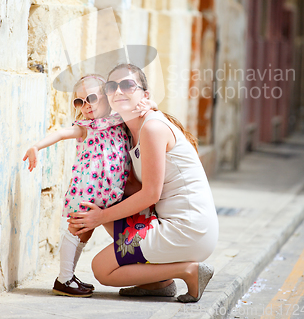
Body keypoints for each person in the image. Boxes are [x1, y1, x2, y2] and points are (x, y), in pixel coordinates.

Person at [68, 64, 219, 302]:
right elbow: (133, 189)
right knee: (109, 203)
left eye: (128, 85)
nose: (119, 91)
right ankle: (158, 283)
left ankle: (188, 270)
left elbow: (150, 195)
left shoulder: (152, 127)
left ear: (145, 95)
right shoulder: (128, 132)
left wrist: (99, 218)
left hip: (188, 229)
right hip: (175, 224)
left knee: (102, 269)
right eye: (112, 86)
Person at [23, 73, 154, 297]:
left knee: (85, 233)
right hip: (86, 191)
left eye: (91, 98)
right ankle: (63, 278)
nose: (85, 106)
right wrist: (37, 146)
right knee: (76, 230)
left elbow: (144, 113)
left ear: (106, 97)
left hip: (110, 194)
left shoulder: (118, 120)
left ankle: (68, 276)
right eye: (79, 102)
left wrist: (150, 104)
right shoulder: (87, 127)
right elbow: (62, 133)